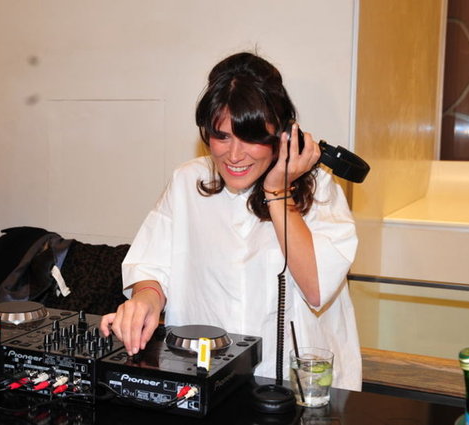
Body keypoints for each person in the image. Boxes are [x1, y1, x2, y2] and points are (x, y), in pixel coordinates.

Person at [99, 52, 362, 391]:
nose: (234, 155)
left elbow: (316, 289)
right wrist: (146, 298)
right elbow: (150, 265)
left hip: (297, 388)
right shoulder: (187, 180)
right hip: (205, 379)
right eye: (222, 136)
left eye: (251, 138)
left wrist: (278, 192)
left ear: (282, 135)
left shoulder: (320, 189)